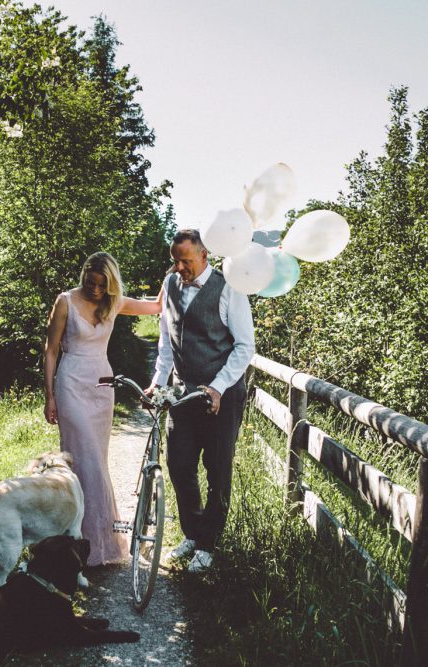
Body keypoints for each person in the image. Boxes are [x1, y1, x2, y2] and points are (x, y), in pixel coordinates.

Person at [43, 252, 162, 567]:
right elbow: (51, 350)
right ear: (83, 277)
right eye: (90, 282)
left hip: (101, 386)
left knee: (97, 461)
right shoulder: (65, 302)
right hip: (70, 384)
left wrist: (172, 276)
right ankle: (79, 545)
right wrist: (49, 396)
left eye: (101, 284)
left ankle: (97, 544)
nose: (95, 289)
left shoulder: (115, 302)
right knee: (84, 460)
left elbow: (156, 306)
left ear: (110, 283)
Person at [146, 229, 255, 573]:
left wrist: (219, 386)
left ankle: (209, 544)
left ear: (204, 255)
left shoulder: (230, 288)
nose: (180, 267)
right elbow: (167, 341)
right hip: (182, 393)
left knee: (218, 470)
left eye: (186, 261)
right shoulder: (172, 285)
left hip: (221, 395)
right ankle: (192, 534)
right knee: (179, 465)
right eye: (175, 261)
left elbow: (244, 347)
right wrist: (157, 383)